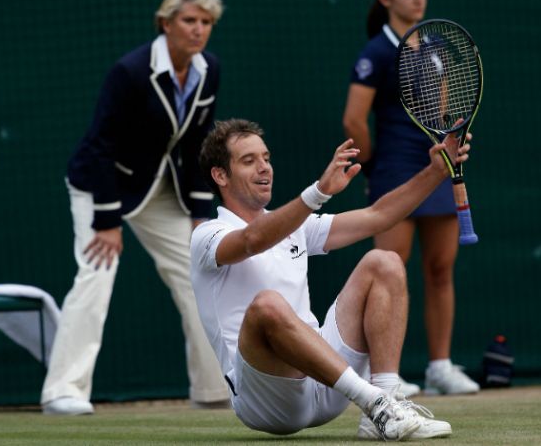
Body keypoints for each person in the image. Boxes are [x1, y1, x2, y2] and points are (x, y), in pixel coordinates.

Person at [190, 118, 472, 440]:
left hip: (326, 385)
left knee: (384, 262)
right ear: (220, 175)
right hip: (266, 400)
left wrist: (436, 170)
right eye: (249, 161)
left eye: (266, 158)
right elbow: (251, 241)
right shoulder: (207, 236)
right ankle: (373, 402)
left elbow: (379, 215)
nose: (264, 168)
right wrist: (318, 192)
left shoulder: (294, 227)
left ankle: (386, 405)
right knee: (266, 304)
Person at [41, 0, 231, 415]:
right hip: (99, 183)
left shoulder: (210, 69)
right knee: (97, 273)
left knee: (197, 273)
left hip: (158, 185)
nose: (198, 29)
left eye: (206, 21)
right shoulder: (130, 71)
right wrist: (107, 222)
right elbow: (102, 145)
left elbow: (198, 142)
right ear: (165, 23)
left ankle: (214, 389)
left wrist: (200, 212)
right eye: (188, 20)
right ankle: (62, 391)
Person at [341, 0, 480, 396]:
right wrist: (375, 162)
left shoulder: (437, 45)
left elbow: (438, 115)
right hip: (394, 173)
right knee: (389, 271)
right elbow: (353, 119)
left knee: (441, 269)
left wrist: (450, 142)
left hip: (435, 167)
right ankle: (385, 374)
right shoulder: (375, 53)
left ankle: (440, 366)